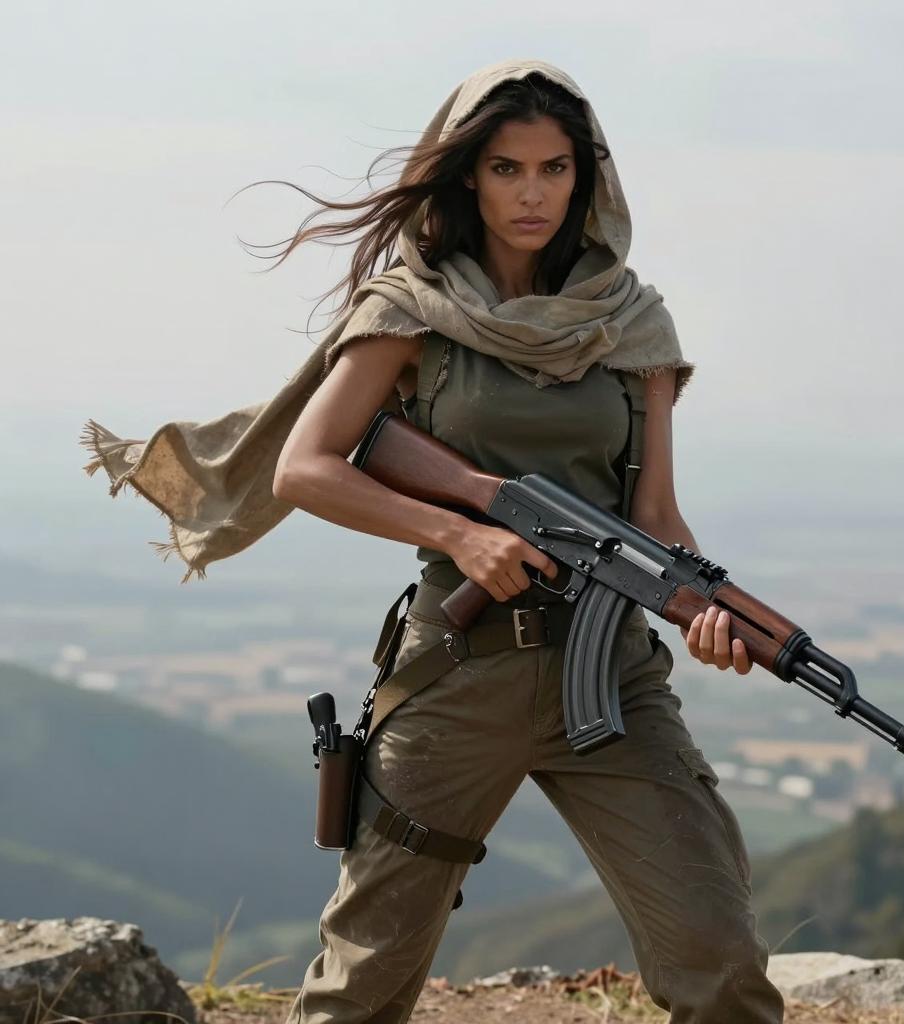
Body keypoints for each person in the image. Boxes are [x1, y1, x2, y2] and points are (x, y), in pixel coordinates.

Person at [80, 57, 784, 1024]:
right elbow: (305, 467)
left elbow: (656, 520)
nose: (532, 194)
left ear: (587, 178)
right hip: (456, 672)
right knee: (360, 988)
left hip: (613, 677)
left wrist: (710, 614)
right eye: (506, 169)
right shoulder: (411, 309)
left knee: (722, 960)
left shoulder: (632, 324)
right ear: (467, 177)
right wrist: (460, 530)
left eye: (554, 169)